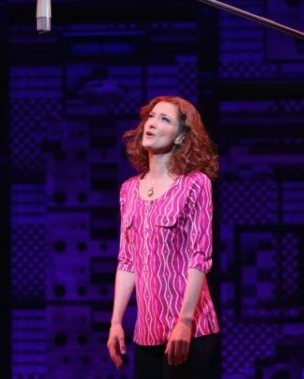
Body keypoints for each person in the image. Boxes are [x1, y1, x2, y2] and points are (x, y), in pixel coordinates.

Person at [107, 96, 220, 378]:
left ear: (181, 137)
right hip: (146, 333)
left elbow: (200, 257)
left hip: (189, 329)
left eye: (164, 119)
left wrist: (184, 322)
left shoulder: (195, 184)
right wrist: (116, 321)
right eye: (151, 117)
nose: (152, 124)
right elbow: (126, 260)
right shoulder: (129, 190)